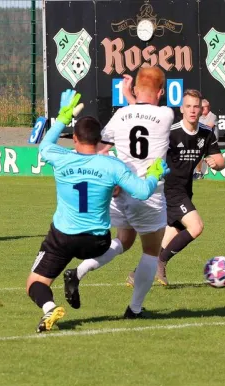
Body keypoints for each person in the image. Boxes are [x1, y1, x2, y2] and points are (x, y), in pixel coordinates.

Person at [27, 89, 169, 333]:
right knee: (121, 243)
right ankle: (82, 273)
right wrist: (154, 174)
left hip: (62, 237)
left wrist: (62, 118)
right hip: (96, 241)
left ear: (75, 139)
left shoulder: (61, 158)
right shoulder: (112, 165)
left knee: (35, 283)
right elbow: (143, 192)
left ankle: (50, 308)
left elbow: (45, 145)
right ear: (99, 139)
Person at [65, 67, 175, 319]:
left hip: (119, 191)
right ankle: (134, 309)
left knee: (124, 241)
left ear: (135, 89)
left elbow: (102, 147)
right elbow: (147, 114)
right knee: (151, 251)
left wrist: (129, 98)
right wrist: (133, 95)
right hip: (148, 193)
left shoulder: (121, 115)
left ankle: (78, 272)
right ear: (161, 92)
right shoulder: (167, 115)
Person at [141, 89, 225, 286]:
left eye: (196, 106)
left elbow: (221, 160)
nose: (193, 110)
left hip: (185, 190)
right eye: (188, 106)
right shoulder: (171, 132)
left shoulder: (206, 133)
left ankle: (139, 273)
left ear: (202, 109)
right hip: (169, 189)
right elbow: (151, 157)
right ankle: (162, 262)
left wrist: (216, 163)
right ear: (182, 109)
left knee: (169, 237)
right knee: (196, 227)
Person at [194, 99, 218, 179]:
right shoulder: (199, 117)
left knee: (198, 150)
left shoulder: (213, 116)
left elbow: (208, 128)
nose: (203, 109)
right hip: (201, 138)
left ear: (208, 107)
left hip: (211, 140)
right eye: (201, 107)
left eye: (205, 107)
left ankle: (198, 173)